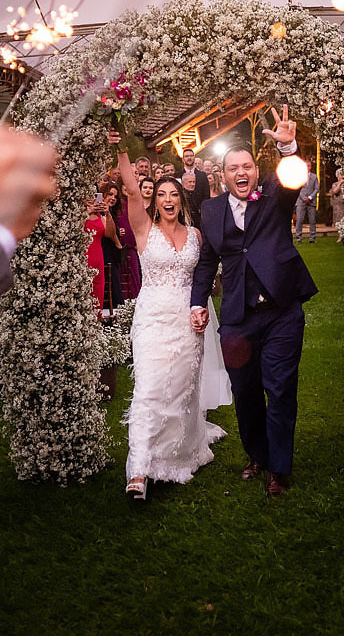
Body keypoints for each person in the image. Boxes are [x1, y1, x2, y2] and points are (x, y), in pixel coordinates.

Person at [190, 106, 318, 498]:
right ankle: (257, 455)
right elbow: (207, 260)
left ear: (254, 171)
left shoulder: (274, 198)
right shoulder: (210, 211)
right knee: (245, 392)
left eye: (246, 166)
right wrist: (197, 302)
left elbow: (295, 179)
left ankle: (279, 468)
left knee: (279, 389)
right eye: (233, 168)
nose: (241, 173)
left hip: (281, 312)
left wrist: (287, 147)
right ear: (222, 175)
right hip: (238, 317)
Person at [110, 129, 228, 500]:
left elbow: (207, 274)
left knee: (181, 391)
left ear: (182, 199)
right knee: (148, 388)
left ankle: (176, 454)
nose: (167, 200)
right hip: (152, 320)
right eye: (161, 194)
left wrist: (203, 303)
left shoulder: (195, 235)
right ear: (155, 201)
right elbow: (130, 188)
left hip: (188, 322)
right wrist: (121, 150)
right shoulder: (144, 229)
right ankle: (139, 470)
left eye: (173, 194)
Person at [294, 160, 318, 243]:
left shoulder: (314, 177)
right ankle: (298, 238)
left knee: (312, 220)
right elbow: (297, 188)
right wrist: (303, 197)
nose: (307, 167)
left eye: (309, 166)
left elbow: (316, 189)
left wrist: (310, 197)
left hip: (311, 201)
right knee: (299, 220)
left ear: (310, 167)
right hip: (301, 201)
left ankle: (312, 238)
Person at [329, 169, 344, 242]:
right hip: (338, 205)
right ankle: (341, 236)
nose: (342, 176)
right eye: (340, 174)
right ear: (337, 176)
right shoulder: (335, 184)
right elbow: (335, 191)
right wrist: (340, 183)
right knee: (339, 220)